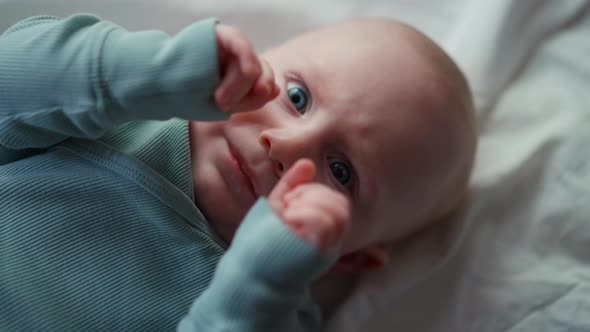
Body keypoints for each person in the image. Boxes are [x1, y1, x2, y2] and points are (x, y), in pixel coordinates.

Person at [0, 13, 476, 332]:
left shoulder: (270, 308)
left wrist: (262, 280)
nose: (285, 146)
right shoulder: (129, 111)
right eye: (297, 98)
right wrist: (145, 72)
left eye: (340, 171)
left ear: (349, 258)